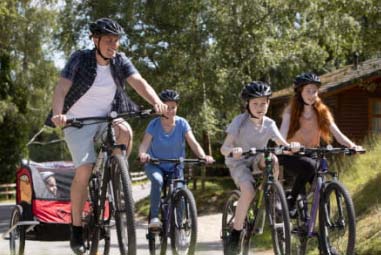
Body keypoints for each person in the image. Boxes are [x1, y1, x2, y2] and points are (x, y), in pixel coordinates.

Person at [47, 18, 167, 254]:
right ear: (95, 40)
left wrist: (157, 102)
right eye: (108, 40)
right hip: (77, 121)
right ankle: (77, 228)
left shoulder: (120, 61)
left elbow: (139, 82)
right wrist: (58, 114)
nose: (113, 45)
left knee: (125, 131)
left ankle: (116, 173)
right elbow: (61, 88)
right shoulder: (80, 58)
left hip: (107, 117)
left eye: (116, 41)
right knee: (84, 170)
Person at [220, 81, 299, 255]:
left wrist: (291, 146)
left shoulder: (269, 123)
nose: (260, 107)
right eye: (255, 103)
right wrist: (233, 150)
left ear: (268, 103)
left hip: (257, 159)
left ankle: (272, 194)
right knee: (248, 192)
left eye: (263, 103)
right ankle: (236, 232)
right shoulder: (239, 122)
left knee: (274, 159)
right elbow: (223, 148)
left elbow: (282, 143)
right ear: (247, 104)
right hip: (239, 163)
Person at [279, 72, 363, 216]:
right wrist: (286, 146)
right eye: (308, 91)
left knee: (319, 179)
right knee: (309, 166)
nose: (312, 94)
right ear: (300, 92)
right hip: (290, 154)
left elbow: (338, 134)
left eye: (314, 91)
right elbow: (281, 134)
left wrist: (352, 146)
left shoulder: (322, 111)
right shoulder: (290, 111)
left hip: (312, 153)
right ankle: (291, 200)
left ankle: (318, 226)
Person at [138, 89, 214, 230]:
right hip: (155, 164)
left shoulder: (182, 123)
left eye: (173, 107)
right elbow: (144, 144)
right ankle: (154, 217)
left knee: (180, 191)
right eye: (167, 107)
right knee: (158, 180)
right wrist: (143, 154)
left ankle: (179, 227)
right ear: (160, 107)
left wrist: (203, 157)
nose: (170, 110)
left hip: (175, 166)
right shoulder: (154, 125)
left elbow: (194, 143)